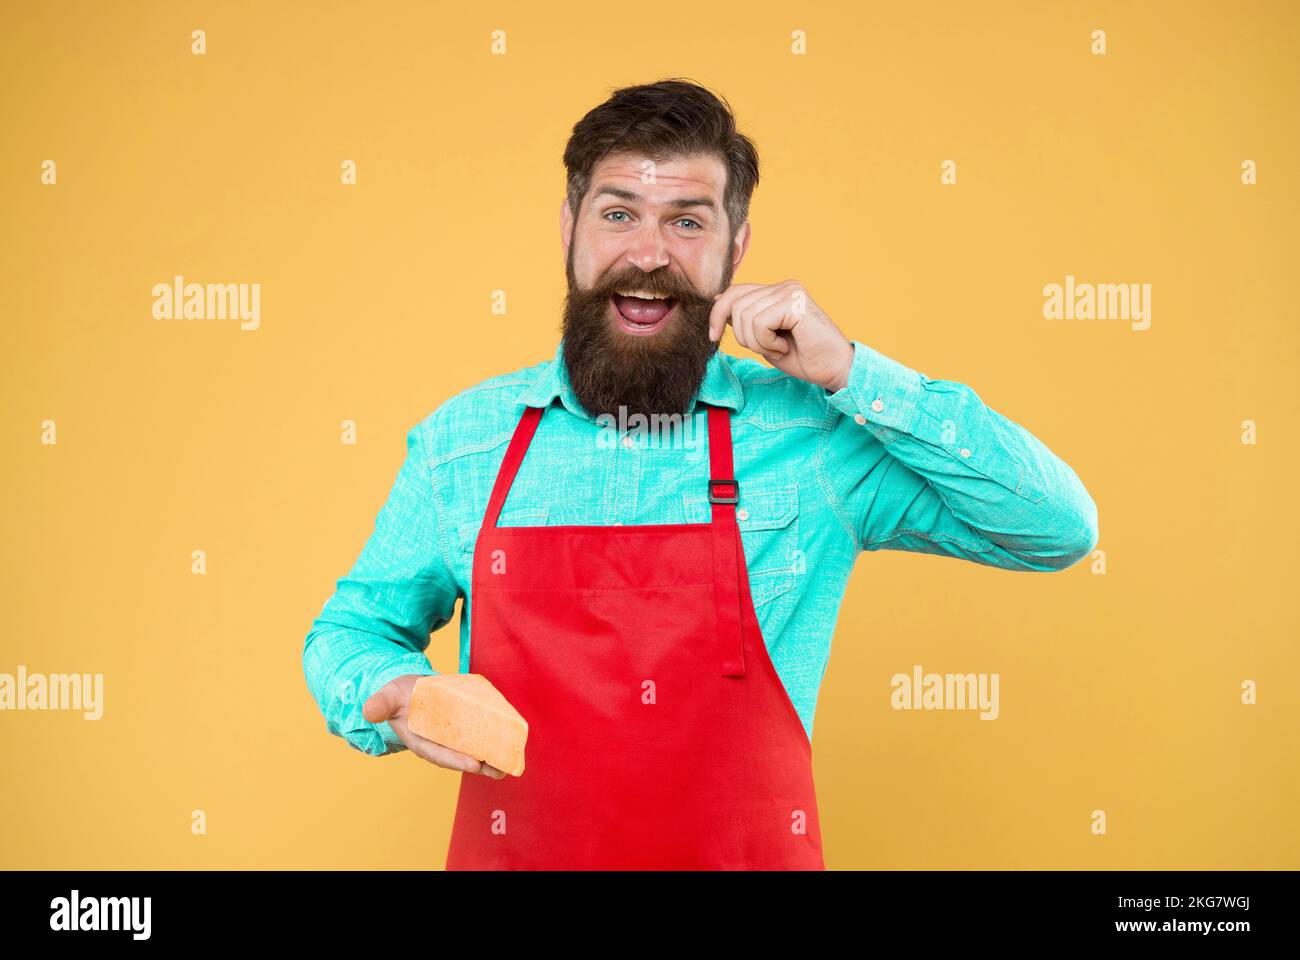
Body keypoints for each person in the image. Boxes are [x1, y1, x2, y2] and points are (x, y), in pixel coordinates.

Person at [302, 78, 1099, 869]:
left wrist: (853, 374)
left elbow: (1055, 528)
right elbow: (353, 632)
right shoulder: (464, 444)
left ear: (736, 247)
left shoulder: (814, 436)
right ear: (569, 228)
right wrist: (400, 693)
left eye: (687, 221)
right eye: (618, 215)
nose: (649, 254)